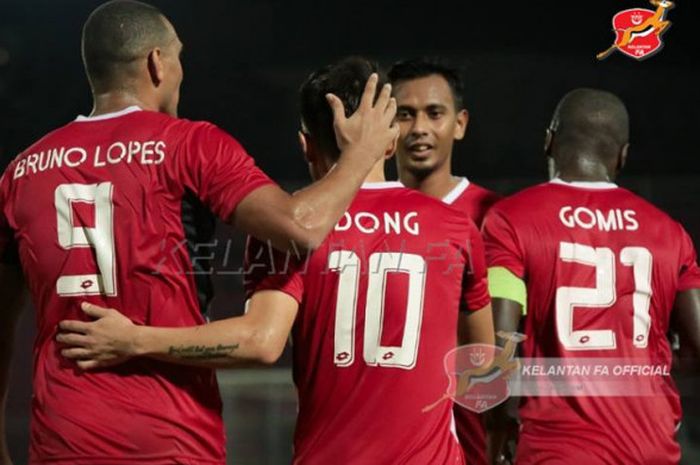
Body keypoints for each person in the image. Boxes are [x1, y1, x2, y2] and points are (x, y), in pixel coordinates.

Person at [0, 1, 398, 464]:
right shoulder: (190, 145)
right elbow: (301, 229)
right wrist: (360, 153)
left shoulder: (21, 173)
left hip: (62, 439)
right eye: (179, 57)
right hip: (171, 437)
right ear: (156, 63)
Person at [56, 57, 496, 465]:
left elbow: (260, 342)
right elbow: (486, 367)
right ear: (389, 138)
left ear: (305, 144)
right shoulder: (455, 229)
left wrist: (136, 340)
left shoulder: (286, 229)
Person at [482, 88, 700, 464]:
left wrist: (496, 421)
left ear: (548, 140)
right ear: (623, 154)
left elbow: (497, 344)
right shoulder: (670, 233)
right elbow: (698, 347)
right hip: (651, 445)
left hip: (559, 447)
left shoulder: (511, 220)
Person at [389, 57, 501, 465]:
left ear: (460, 123)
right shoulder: (360, 214)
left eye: (434, 113)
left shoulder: (496, 219)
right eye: (405, 114)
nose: (419, 128)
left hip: (468, 445)